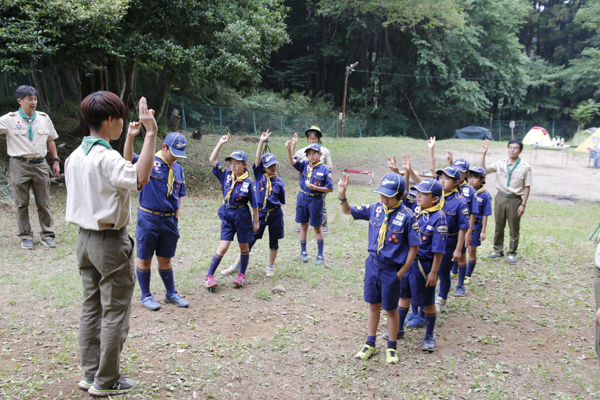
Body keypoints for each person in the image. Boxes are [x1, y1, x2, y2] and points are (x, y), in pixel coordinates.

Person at [65, 93, 158, 396]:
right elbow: (140, 176)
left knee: (91, 308)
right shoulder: (106, 158)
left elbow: (125, 172)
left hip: (84, 241)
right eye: (120, 118)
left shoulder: (76, 156)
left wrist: (131, 138)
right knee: (115, 311)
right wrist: (151, 133)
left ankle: (90, 375)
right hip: (109, 243)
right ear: (109, 120)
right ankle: (106, 381)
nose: (122, 123)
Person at [338, 172, 419, 364]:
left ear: (400, 195)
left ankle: (391, 347)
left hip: (392, 269)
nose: (383, 199)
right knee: (373, 306)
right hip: (373, 266)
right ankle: (370, 344)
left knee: (391, 310)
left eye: (388, 196)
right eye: (381, 194)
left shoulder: (408, 216)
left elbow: (414, 248)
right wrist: (343, 194)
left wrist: (400, 273)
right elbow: (348, 211)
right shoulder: (375, 208)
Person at [123, 131, 189, 311]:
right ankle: (146, 295)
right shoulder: (148, 160)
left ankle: (171, 293)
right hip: (149, 218)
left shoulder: (178, 168)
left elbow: (178, 194)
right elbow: (128, 159)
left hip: (169, 221)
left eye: (179, 154)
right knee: (145, 258)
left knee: (166, 259)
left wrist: (176, 217)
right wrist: (130, 136)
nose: (175, 157)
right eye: (173, 152)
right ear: (163, 147)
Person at [386, 173, 447, 352]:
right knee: (404, 296)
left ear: (435, 199)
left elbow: (438, 249)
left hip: (424, 266)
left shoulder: (439, 218)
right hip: (408, 263)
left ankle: (429, 336)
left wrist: (434, 272)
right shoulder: (416, 211)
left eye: (423, 194)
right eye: (417, 192)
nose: (418, 196)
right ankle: (398, 328)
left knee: (427, 302)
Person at [0, 85, 60, 249]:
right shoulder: (9, 119)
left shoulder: (43, 117)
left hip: (40, 164)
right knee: (21, 203)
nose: (33, 102)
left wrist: (55, 160)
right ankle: (26, 236)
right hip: (19, 165)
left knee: (44, 202)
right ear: (20, 101)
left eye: (35, 99)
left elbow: (50, 139)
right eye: (29, 99)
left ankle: (47, 235)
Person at [222, 130, 285, 277]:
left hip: (275, 213)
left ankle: (270, 266)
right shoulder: (258, 176)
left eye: (275, 165)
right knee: (249, 240)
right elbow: (257, 158)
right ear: (263, 167)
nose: (273, 168)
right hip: (261, 213)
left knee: (274, 242)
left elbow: (281, 200)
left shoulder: (279, 182)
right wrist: (261, 141)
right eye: (270, 166)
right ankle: (236, 265)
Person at [205, 134, 259, 288]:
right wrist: (220, 143)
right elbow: (213, 160)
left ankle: (241, 275)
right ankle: (209, 276)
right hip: (228, 214)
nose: (233, 166)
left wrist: (256, 221)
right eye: (231, 163)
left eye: (237, 163)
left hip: (242, 215)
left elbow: (254, 204)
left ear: (244, 165)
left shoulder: (249, 182)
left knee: (244, 246)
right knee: (223, 246)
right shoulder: (226, 175)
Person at [481, 139, 532, 264]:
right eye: (510, 147)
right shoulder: (500, 164)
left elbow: (527, 187)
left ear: (520, 150)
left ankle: (511, 252)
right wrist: (483, 154)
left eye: (515, 148)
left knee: (514, 227)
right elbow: (483, 170)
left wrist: (523, 204)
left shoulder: (525, 167)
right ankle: (498, 250)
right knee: (499, 225)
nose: (512, 150)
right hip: (500, 197)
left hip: (515, 199)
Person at [286, 133, 333, 265]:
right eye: (309, 154)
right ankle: (303, 252)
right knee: (303, 226)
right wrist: (289, 150)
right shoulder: (305, 165)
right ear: (306, 156)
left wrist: (314, 187)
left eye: (314, 153)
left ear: (320, 154)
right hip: (302, 198)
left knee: (317, 228)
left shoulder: (324, 170)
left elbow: (330, 188)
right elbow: (292, 161)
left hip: (316, 200)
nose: (312, 156)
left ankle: (320, 254)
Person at [294, 126, 333, 235]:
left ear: (319, 138)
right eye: (310, 138)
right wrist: (293, 145)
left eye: (314, 138)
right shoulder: (303, 151)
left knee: (322, 206)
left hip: (320, 184)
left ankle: (323, 227)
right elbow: (294, 160)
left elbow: (329, 167)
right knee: (303, 205)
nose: (312, 140)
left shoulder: (324, 151)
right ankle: (302, 224)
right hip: (306, 185)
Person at [464, 166, 492, 284]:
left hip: (475, 227)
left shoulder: (485, 195)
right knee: (459, 249)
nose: (471, 180)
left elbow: (485, 214)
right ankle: (455, 270)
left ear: (482, 179)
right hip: (464, 224)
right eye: (470, 177)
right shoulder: (465, 190)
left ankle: (468, 275)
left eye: (475, 178)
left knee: (471, 251)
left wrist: (483, 231)